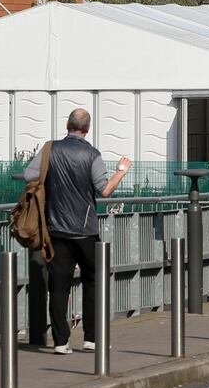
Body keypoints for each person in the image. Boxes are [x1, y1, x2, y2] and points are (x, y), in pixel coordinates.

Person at [24, 109, 131, 355]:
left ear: (67, 125)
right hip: (86, 230)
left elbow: (30, 175)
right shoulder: (92, 155)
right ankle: (92, 338)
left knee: (58, 285)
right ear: (88, 129)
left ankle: (61, 341)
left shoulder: (50, 149)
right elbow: (104, 191)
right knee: (93, 282)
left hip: (56, 229)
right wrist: (121, 171)